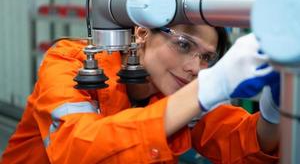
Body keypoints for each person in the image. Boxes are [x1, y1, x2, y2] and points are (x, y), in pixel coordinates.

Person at [1, 24, 279, 163]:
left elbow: (240, 143)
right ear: (142, 33)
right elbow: (75, 149)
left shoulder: (175, 88)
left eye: (207, 58)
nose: (195, 68)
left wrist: (274, 111)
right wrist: (210, 86)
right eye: (183, 45)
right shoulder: (70, 60)